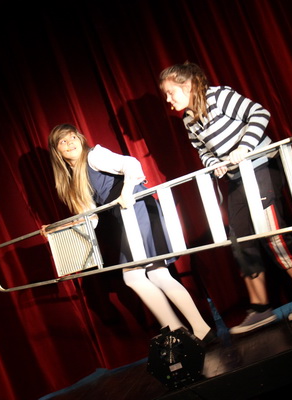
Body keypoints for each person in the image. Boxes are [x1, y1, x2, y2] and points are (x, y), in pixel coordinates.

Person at [159, 62, 292, 334]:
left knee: (272, 231)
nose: (168, 99)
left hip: (261, 166)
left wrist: (243, 148)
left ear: (187, 85)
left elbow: (260, 113)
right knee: (240, 239)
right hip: (237, 178)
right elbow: (202, 150)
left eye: (171, 92)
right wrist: (215, 163)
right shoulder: (188, 119)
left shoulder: (218, 96)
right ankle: (260, 309)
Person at [43, 123, 216, 345]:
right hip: (131, 216)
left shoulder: (94, 156)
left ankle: (182, 331)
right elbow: (90, 219)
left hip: (138, 209)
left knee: (135, 277)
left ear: (80, 138)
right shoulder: (75, 178)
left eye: (72, 137)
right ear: (57, 151)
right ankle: (198, 330)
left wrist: (125, 193)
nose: (70, 143)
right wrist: (56, 230)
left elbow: (131, 164)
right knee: (157, 274)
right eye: (63, 142)